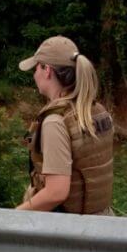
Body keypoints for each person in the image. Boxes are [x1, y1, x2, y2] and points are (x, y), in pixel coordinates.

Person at [16, 36, 114, 215]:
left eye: (36, 67)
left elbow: (56, 193)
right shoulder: (95, 109)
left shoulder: (55, 122)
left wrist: (13, 216)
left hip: (69, 231)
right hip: (101, 223)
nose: (34, 74)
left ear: (47, 70)